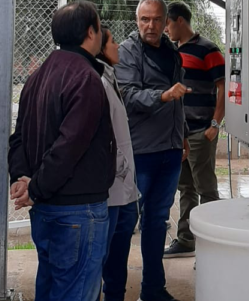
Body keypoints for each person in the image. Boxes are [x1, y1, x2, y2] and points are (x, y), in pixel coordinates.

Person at [8, 0, 116, 301]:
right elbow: (69, 146)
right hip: (78, 212)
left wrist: (22, 177)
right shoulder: (86, 79)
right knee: (77, 291)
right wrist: (36, 187)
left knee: (52, 287)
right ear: (91, 33)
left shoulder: (37, 76)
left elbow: (18, 138)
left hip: (46, 210)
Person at [115, 0, 190, 301]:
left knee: (157, 222)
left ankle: (153, 289)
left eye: (157, 19)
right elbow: (128, 96)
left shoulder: (172, 51)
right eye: (145, 19)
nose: (151, 25)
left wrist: (182, 135)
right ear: (137, 20)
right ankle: (115, 291)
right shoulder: (127, 51)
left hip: (170, 151)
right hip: (140, 152)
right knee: (126, 223)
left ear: (165, 21)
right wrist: (162, 97)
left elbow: (179, 99)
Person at [163, 1, 226, 258]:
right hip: (180, 133)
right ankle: (186, 240)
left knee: (206, 190)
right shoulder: (173, 51)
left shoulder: (208, 50)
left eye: (166, 23)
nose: (165, 29)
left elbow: (223, 87)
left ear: (179, 21)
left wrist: (215, 124)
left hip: (201, 131)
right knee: (185, 188)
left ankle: (213, 244)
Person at [96, 27, 140, 301]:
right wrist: (122, 167)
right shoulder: (97, 82)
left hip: (124, 190)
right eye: (113, 42)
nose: (118, 47)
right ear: (99, 48)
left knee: (117, 260)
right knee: (104, 258)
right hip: (111, 189)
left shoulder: (110, 77)